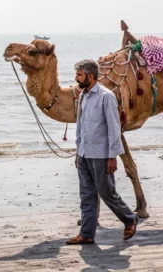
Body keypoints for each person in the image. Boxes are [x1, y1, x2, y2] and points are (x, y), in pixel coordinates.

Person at [66, 59, 139, 245]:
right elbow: (80, 126)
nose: (76, 79)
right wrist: (78, 152)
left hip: (101, 155)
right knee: (86, 194)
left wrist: (112, 156)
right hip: (84, 154)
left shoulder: (106, 97)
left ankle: (129, 218)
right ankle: (87, 234)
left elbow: (114, 129)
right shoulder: (83, 96)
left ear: (90, 76)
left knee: (107, 192)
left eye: (79, 75)